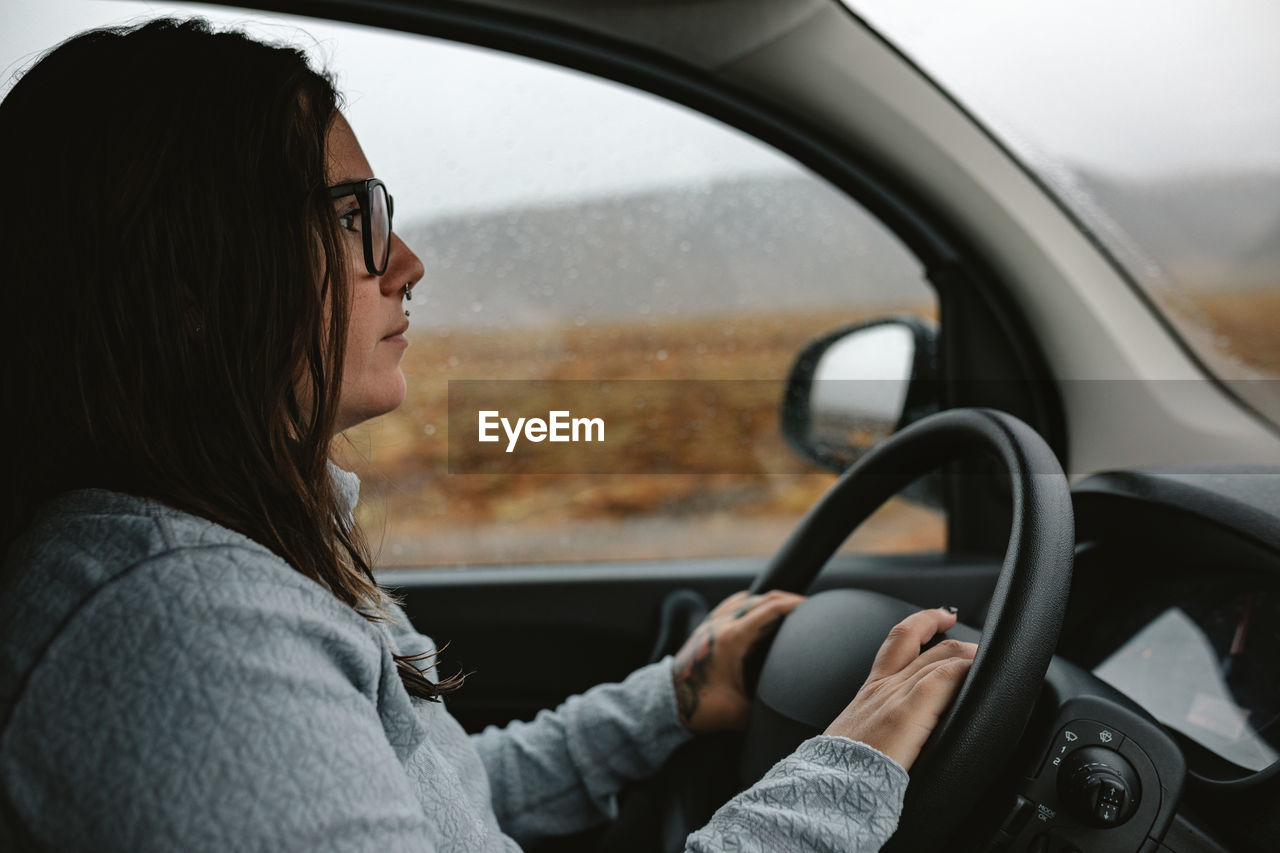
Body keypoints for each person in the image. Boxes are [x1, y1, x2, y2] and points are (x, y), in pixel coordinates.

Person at [0, 19, 977, 852]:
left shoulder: (243, 555)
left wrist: (662, 708)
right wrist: (847, 775)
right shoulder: (179, 630)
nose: (408, 263)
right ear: (190, 284)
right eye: (353, 220)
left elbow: (429, 801)